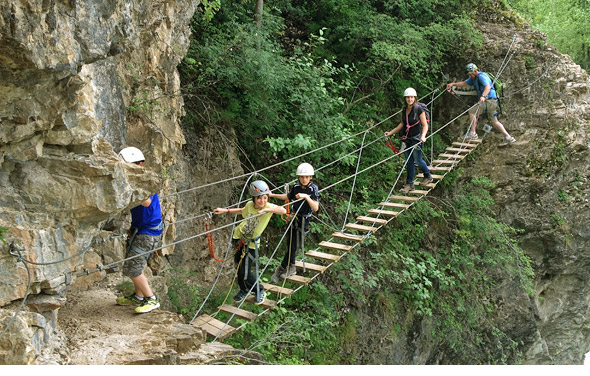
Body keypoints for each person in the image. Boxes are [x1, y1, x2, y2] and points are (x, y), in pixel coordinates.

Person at [214, 180, 287, 305]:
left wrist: (267, 211)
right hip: (239, 239)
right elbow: (242, 211)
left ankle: (260, 290)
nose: (262, 201)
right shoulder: (249, 205)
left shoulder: (268, 207)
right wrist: (225, 210)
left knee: (245, 272)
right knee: (239, 268)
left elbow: (283, 211)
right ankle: (244, 289)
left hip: (252, 245)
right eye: (259, 198)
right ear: (253, 198)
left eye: (265, 198)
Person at [116, 147, 163, 314]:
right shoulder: (135, 179)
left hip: (148, 232)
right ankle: (139, 296)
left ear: (140, 164)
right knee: (135, 264)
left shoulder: (144, 179)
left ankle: (151, 299)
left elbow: (147, 202)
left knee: (132, 268)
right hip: (142, 229)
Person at [269, 163, 320, 282]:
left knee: (294, 246)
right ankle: (284, 268)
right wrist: (272, 195)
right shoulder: (296, 186)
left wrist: (306, 197)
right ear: (298, 177)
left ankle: (288, 268)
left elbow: (316, 207)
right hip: (293, 218)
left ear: (311, 177)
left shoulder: (313, 188)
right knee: (290, 244)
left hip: (303, 220)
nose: (304, 179)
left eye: (307, 177)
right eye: (302, 177)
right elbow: (287, 196)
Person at [446, 63, 516, 143]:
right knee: (494, 121)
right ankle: (508, 137)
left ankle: (473, 134)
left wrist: (483, 96)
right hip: (492, 102)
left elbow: (487, 86)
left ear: (475, 71)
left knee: (472, 111)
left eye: (470, 74)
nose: (469, 76)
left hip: (488, 100)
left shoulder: (481, 76)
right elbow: (464, 83)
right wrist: (453, 84)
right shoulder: (473, 78)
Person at [384, 88, 434, 193]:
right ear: (405, 98)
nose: (409, 99)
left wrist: (423, 136)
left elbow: (425, 125)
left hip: (417, 138)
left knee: (418, 159)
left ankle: (428, 175)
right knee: (409, 162)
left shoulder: (419, 109)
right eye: (407, 97)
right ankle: (409, 184)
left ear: (415, 98)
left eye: (411, 97)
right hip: (407, 139)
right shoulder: (404, 110)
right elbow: (402, 124)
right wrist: (391, 132)